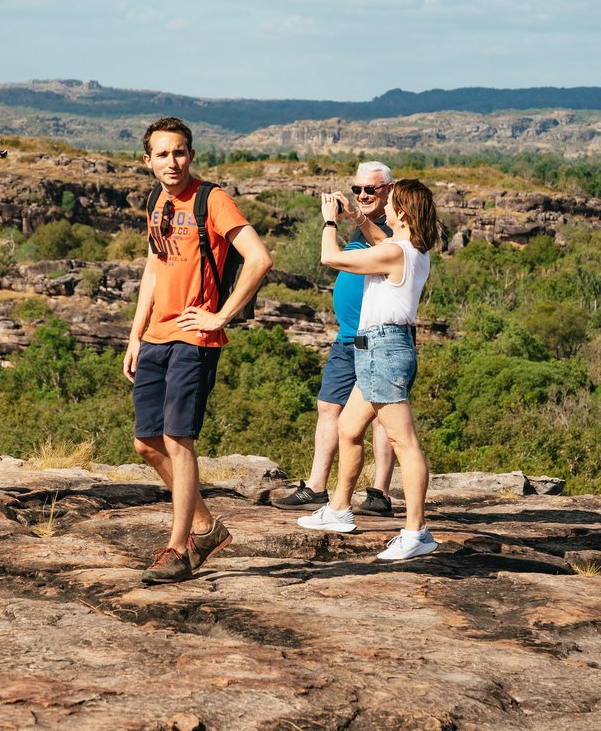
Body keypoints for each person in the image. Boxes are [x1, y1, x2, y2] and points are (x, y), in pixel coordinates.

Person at [124, 116, 273, 584]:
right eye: (163, 154)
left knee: (176, 439)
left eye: (180, 152)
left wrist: (220, 315)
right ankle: (207, 527)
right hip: (156, 335)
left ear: (191, 155)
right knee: (146, 443)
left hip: (195, 337)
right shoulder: (156, 200)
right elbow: (154, 264)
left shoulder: (213, 199)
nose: (173, 162)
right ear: (148, 161)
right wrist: (135, 332)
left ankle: (178, 548)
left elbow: (260, 257)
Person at [297, 178, 441, 562]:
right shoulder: (411, 248)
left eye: (390, 202)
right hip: (380, 348)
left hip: (383, 350)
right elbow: (380, 238)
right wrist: (359, 217)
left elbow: (331, 258)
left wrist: (330, 222)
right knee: (347, 427)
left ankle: (417, 532)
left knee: (404, 442)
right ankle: (339, 510)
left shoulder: (395, 251)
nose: (386, 207)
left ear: (404, 214)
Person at [272, 163, 399, 517]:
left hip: (377, 338)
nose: (362, 196)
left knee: (380, 416)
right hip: (346, 337)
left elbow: (381, 247)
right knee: (328, 407)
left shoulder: (397, 227)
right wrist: (351, 218)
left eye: (370, 190)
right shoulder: (365, 227)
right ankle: (316, 487)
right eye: (357, 189)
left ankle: (379, 493)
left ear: (390, 189)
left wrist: (345, 218)